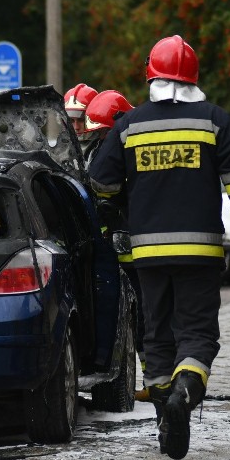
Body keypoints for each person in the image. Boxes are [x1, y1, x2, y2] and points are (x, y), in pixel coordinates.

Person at [88, 35, 230, 460]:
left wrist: (115, 216)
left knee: (156, 337)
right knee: (198, 334)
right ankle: (184, 394)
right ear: (193, 78)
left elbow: (100, 181)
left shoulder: (130, 126)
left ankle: (166, 418)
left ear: (151, 76)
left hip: (147, 256)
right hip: (200, 254)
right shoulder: (214, 121)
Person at [84, 91, 149, 400]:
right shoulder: (101, 149)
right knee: (135, 316)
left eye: (102, 132)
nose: (98, 138)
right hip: (118, 251)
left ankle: (156, 379)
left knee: (146, 314)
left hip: (140, 250)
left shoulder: (132, 148)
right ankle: (154, 377)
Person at [63, 83, 99, 159]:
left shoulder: (107, 147)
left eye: (81, 120)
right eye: (71, 121)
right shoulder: (61, 150)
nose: (76, 127)